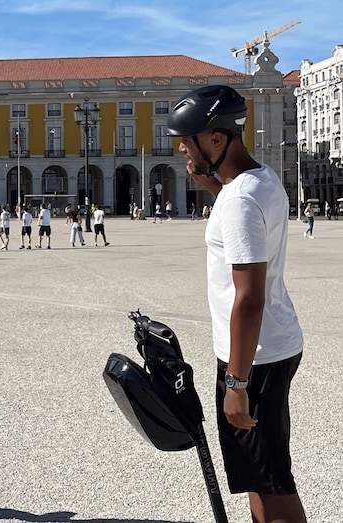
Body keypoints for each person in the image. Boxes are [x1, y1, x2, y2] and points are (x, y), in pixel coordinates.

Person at [167, 85, 306, 522]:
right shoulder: (257, 180)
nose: (181, 148)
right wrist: (211, 185)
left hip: (253, 359)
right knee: (255, 474)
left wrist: (237, 384)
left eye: (187, 140)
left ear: (216, 139)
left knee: (270, 480)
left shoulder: (241, 199)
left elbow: (249, 298)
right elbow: (240, 210)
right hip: (262, 351)